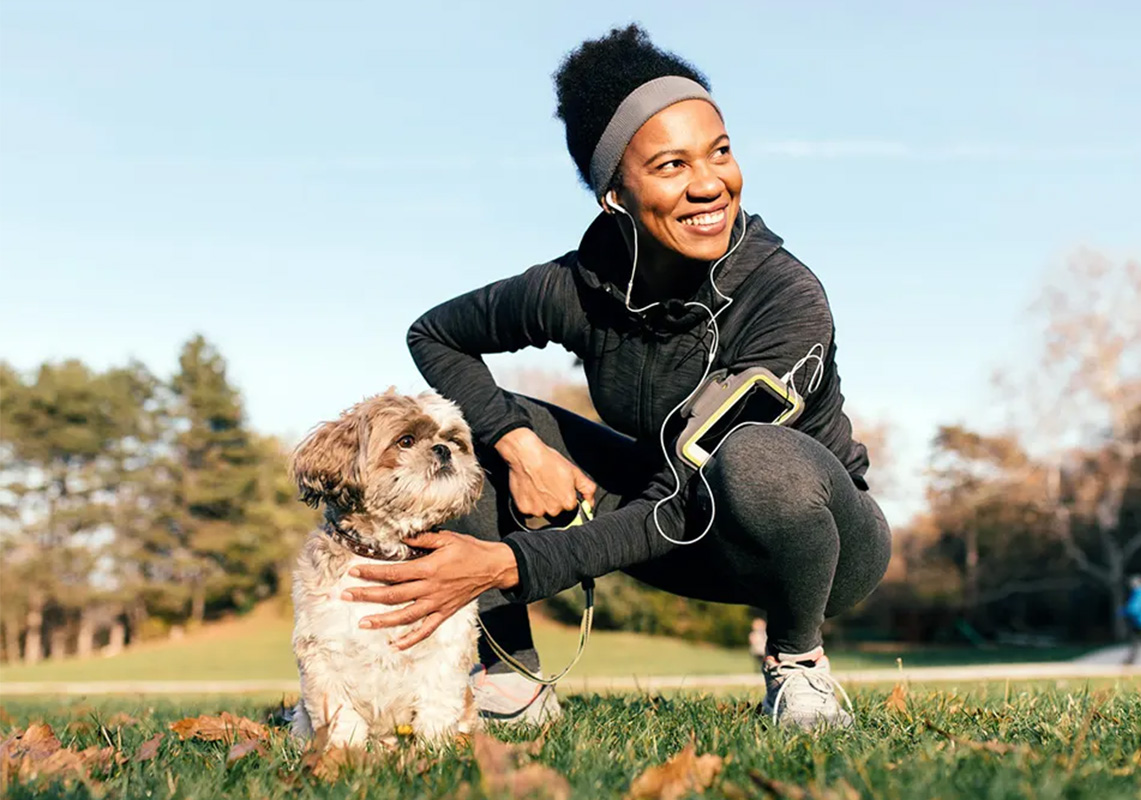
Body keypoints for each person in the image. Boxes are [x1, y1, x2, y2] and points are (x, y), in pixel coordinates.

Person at [339, 24, 891, 730]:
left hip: (814, 550)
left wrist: (509, 563)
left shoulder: (786, 300)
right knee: (478, 429)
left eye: (720, 152)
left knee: (757, 461)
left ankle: (797, 665)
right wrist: (519, 444)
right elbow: (435, 335)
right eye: (670, 166)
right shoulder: (578, 287)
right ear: (615, 197)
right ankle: (509, 680)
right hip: (670, 532)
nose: (710, 184)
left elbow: (683, 491)